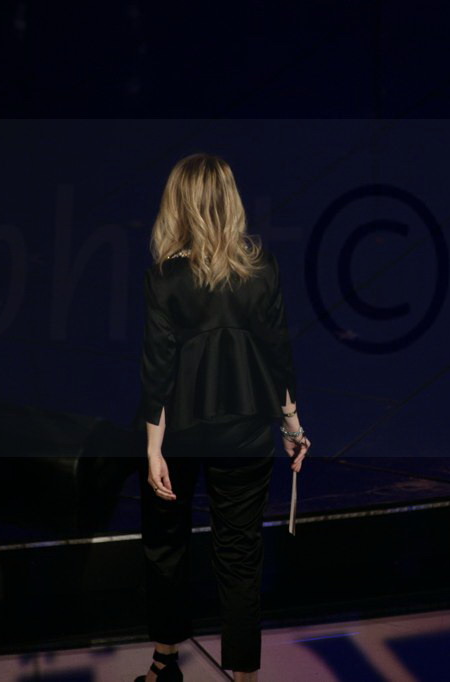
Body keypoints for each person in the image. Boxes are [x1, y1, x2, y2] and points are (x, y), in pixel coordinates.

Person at [134, 153, 310, 682]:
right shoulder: (262, 270)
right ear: (230, 202)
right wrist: (292, 426)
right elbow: (279, 355)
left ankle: (164, 664)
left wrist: (153, 448)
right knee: (239, 555)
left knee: (167, 546)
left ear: (178, 205)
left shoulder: (165, 278)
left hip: (180, 435)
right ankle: (244, 679)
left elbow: (158, 367)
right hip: (246, 433)